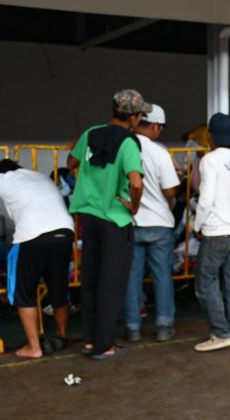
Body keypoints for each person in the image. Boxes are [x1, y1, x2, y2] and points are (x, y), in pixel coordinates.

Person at [0, 147, 74, 358]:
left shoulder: (5, 179)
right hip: (65, 233)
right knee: (59, 288)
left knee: (24, 292)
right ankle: (62, 336)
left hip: (33, 236)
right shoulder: (40, 177)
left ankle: (33, 347)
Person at [67, 89, 148, 360]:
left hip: (88, 216)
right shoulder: (129, 143)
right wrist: (134, 204)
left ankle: (90, 341)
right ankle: (105, 345)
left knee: (90, 280)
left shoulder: (90, 133)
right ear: (134, 117)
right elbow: (136, 181)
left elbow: (71, 162)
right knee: (111, 284)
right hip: (114, 218)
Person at [193, 113, 230, 352]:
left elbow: (205, 198)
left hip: (216, 230)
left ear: (210, 136)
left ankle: (220, 333)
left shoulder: (210, 160)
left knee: (205, 282)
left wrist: (197, 226)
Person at [123, 104, 180, 343]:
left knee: (132, 278)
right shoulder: (159, 153)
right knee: (162, 276)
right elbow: (170, 190)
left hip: (131, 222)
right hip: (159, 224)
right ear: (155, 126)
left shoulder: (123, 149)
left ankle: (133, 328)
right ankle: (164, 327)